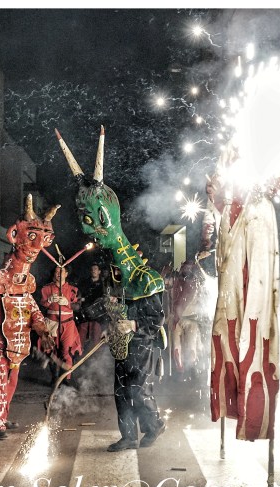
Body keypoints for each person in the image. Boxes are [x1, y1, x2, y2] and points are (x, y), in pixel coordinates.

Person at [56, 126, 167, 451]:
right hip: (120, 342)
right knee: (121, 389)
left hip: (140, 341)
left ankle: (154, 424)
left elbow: (156, 319)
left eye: (93, 219)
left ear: (109, 218)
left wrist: (133, 324)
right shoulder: (114, 276)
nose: (88, 227)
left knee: (136, 388)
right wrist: (73, 314)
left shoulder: (144, 278)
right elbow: (103, 304)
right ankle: (128, 435)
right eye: (84, 219)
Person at [0, 195, 55, 440]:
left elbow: (34, 312)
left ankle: (2, 417)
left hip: (18, 345)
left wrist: (43, 331)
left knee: (12, 383)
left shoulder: (25, 288)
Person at [40, 265, 82, 380]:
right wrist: (48, 301)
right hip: (51, 324)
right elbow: (39, 306)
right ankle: (54, 378)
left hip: (67, 325)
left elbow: (78, 306)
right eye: (56, 271)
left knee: (67, 352)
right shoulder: (46, 289)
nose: (58, 274)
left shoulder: (73, 289)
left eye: (61, 271)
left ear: (66, 274)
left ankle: (65, 379)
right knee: (51, 352)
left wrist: (67, 302)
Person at [76, 262, 105, 351]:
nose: (93, 271)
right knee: (81, 337)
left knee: (95, 338)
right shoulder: (84, 283)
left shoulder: (103, 285)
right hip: (84, 315)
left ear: (99, 271)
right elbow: (79, 296)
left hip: (98, 316)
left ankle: (95, 356)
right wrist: (81, 300)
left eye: (95, 269)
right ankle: (79, 355)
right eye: (92, 269)